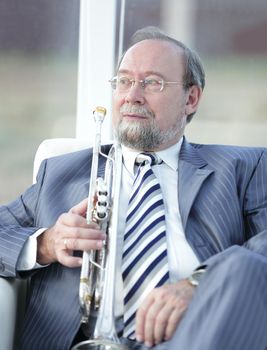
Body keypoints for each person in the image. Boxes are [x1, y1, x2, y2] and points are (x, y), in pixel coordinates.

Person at [0, 26, 267, 350]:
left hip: (197, 338)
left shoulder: (243, 167)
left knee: (243, 265)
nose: (132, 95)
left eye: (152, 82)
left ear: (191, 98)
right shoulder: (60, 174)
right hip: (84, 344)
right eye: (124, 81)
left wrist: (201, 283)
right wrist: (45, 243)